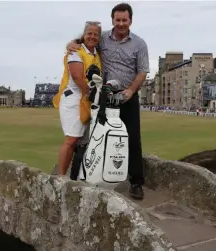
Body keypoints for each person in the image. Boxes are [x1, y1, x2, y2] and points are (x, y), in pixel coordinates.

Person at [67, 3, 149, 200]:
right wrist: (71, 43)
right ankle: (91, 175)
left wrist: (130, 90)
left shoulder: (139, 44)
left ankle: (136, 182)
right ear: (112, 20)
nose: (121, 23)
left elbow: (143, 71)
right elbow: (86, 42)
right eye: (117, 20)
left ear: (131, 20)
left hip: (127, 96)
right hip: (104, 96)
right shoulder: (102, 38)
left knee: (132, 139)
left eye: (124, 20)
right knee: (95, 135)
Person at [53, 21, 102, 176]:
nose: (92, 37)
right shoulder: (76, 51)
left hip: (86, 101)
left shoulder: (96, 54)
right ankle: (61, 177)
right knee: (71, 139)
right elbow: (76, 76)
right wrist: (90, 93)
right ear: (84, 34)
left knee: (81, 141)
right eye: (89, 33)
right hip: (73, 99)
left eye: (96, 34)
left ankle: (74, 174)